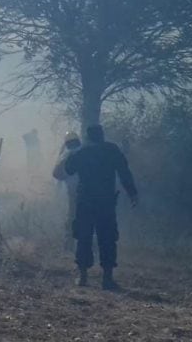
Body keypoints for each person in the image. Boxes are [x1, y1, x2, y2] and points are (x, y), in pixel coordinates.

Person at [65, 124, 138, 290]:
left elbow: (69, 170)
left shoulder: (82, 152)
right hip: (106, 202)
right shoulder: (112, 150)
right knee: (107, 237)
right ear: (102, 135)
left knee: (84, 237)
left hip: (85, 201)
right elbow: (124, 172)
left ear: (88, 137)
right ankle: (107, 278)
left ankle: (83, 276)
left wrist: (71, 152)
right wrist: (132, 193)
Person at [52, 131, 81, 251]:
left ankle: (68, 248)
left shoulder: (66, 155)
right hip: (91, 192)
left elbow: (56, 173)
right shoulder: (86, 152)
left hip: (74, 192)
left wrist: (65, 176)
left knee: (72, 219)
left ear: (67, 144)